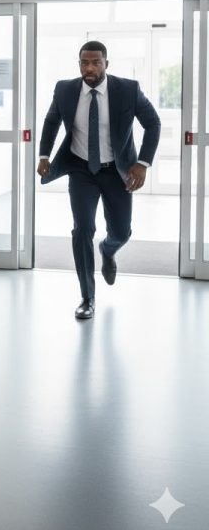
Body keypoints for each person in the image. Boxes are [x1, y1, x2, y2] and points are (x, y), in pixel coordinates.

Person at [37, 40, 160, 320]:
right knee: (82, 229)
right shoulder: (65, 89)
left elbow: (153, 123)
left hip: (117, 171)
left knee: (122, 231)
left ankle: (108, 249)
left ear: (106, 63)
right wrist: (44, 155)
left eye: (95, 62)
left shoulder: (128, 90)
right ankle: (87, 297)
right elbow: (52, 120)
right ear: (79, 64)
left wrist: (142, 163)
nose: (89, 68)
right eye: (84, 63)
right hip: (81, 170)